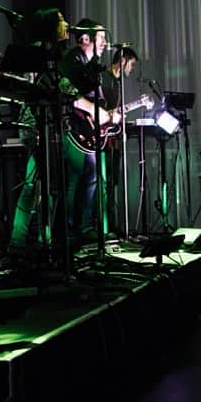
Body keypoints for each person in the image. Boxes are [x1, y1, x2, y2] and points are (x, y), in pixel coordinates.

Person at [6, 7, 71, 265]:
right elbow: (30, 87)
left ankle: (43, 242)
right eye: (61, 21)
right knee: (34, 185)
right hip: (35, 125)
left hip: (53, 125)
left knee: (49, 186)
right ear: (50, 27)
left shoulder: (59, 55)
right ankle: (18, 243)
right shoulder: (35, 52)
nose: (66, 24)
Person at [59, 18, 116, 244]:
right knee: (76, 179)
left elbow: (97, 99)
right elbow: (68, 92)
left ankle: (84, 227)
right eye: (101, 38)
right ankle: (71, 230)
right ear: (85, 38)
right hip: (71, 130)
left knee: (91, 177)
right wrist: (95, 111)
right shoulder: (73, 60)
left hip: (87, 133)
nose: (104, 43)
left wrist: (107, 115)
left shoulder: (93, 65)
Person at [101, 46, 139, 233]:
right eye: (131, 64)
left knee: (112, 182)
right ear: (123, 61)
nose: (132, 70)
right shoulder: (104, 78)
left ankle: (112, 225)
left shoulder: (117, 83)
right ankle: (103, 226)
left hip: (112, 138)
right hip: (101, 140)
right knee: (103, 182)